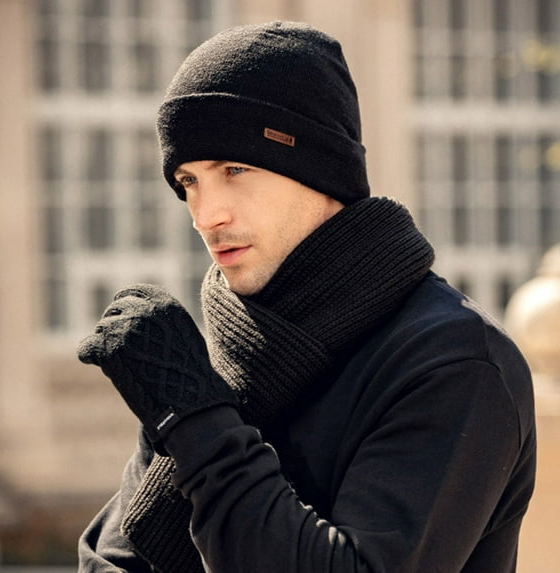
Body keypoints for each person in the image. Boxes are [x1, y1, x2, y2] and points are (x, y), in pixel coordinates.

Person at [76, 21, 536, 573]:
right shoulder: (226, 352)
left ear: (320, 170)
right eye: (189, 181)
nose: (205, 215)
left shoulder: (455, 360)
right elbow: (114, 557)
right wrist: (186, 406)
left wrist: (195, 421)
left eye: (235, 169)